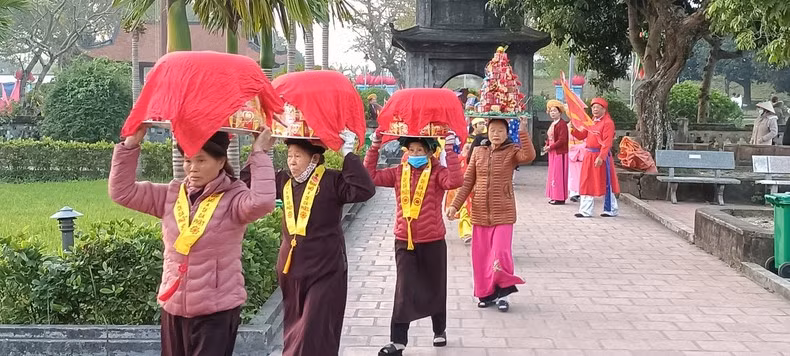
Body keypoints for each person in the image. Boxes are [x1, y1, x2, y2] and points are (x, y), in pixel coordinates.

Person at [109, 127, 277, 356]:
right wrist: (131, 144)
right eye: (188, 160)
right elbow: (122, 192)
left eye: (201, 160)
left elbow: (263, 203)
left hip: (216, 311)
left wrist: (259, 152)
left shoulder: (234, 199)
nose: (192, 168)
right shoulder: (171, 195)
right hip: (174, 305)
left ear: (220, 162)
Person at [241, 134, 375, 356]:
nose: (291, 161)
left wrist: (348, 154)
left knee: (315, 327)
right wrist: (258, 151)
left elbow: (364, 190)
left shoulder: (332, 180)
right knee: (295, 326)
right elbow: (247, 184)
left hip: (326, 268)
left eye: (297, 156)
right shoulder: (283, 180)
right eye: (289, 156)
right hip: (291, 269)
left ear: (314, 158)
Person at [365, 132, 462, 356]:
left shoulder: (438, 173)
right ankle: (398, 341)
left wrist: (449, 148)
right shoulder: (399, 172)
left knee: (435, 286)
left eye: (420, 150)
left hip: (433, 239)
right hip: (404, 240)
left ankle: (439, 330)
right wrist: (375, 146)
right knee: (404, 288)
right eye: (411, 150)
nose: (415, 154)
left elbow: (455, 181)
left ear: (430, 152)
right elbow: (370, 176)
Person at [446, 118, 536, 312]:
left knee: (501, 254)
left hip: (503, 212)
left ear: (506, 133)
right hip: (479, 212)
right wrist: (455, 205)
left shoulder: (512, 152)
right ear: (487, 132)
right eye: (493, 130)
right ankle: (486, 294)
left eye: (501, 131)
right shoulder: (478, 152)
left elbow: (529, 155)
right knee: (481, 257)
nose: (496, 134)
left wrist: (522, 131)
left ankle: (503, 294)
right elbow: (468, 182)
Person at [570, 97, 621, 218]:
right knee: (586, 182)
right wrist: (573, 129)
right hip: (589, 156)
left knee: (606, 182)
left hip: (600, 156)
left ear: (604, 109)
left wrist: (601, 157)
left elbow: (607, 142)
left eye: (598, 107)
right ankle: (585, 210)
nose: (595, 109)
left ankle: (611, 209)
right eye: (593, 107)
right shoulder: (591, 121)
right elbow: (583, 135)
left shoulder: (608, 123)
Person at [543, 100, 569, 204]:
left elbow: (562, 140)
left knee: (558, 174)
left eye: (554, 111)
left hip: (559, 152)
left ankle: (560, 197)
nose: (552, 113)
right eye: (551, 111)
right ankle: (554, 195)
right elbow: (550, 138)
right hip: (553, 151)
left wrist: (551, 146)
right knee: (553, 174)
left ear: (560, 112)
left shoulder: (562, 124)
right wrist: (547, 146)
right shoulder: (553, 123)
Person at [567, 118, 585, 202]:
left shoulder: (584, 126)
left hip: (581, 151)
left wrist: (579, 147)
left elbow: (587, 140)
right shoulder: (567, 126)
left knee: (581, 173)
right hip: (571, 151)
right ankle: (573, 192)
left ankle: (581, 191)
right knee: (571, 174)